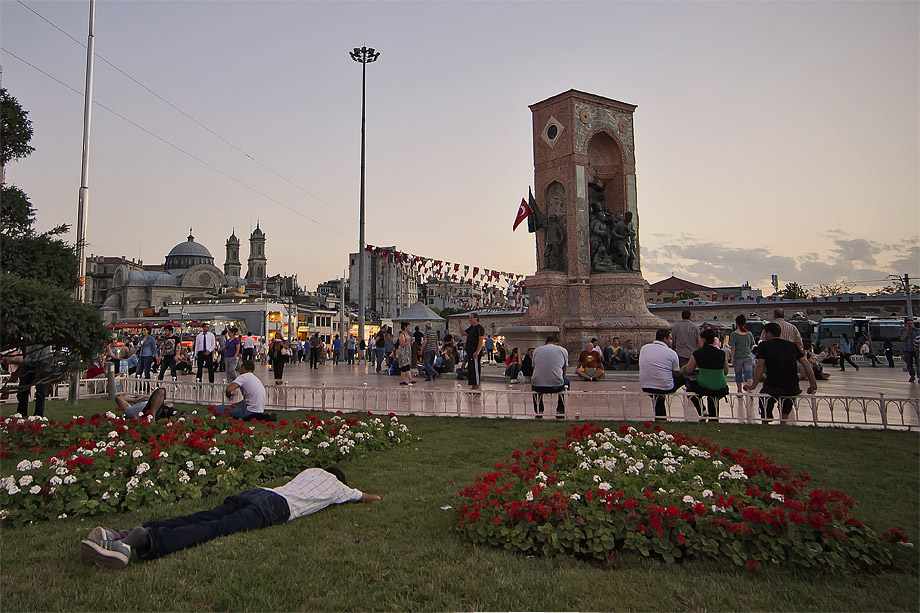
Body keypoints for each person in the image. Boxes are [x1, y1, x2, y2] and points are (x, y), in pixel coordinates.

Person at [80, 466, 380, 569]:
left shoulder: (311, 471)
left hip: (259, 492)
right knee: (214, 528)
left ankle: (116, 533)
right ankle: (142, 541)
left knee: (200, 515)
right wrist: (368, 494)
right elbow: (365, 496)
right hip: (276, 508)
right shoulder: (340, 487)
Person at [744, 322, 817, 425]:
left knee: (765, 399)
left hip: (773, 384)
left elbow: (760, 365)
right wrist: (813, 384)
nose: (764, 337)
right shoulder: (792, 345)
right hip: (791, 386)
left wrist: (753, 385)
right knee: (787, 402)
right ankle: (783, 421)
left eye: (764, 334)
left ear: (769, 334)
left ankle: (766, 420)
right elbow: (806, 364)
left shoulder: (764, 345)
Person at [681, 329, 729, 422]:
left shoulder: (697, 353)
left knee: (690, 390)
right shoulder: (722, 353)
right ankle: (714, 418)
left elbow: (689, 370)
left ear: (703, 340)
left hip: (703, 385)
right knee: (713, 396)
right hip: (720, 386)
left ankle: (702, 410)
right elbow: (726, 371)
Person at [639, 329, 686, 421]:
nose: (671, 341)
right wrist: (684, 369)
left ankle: (660, 417)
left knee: (658, 397)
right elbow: (676, 373)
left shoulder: (644, 348)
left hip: (645, 385)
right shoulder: (671, 353)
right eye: (670, 339)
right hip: (664, 387)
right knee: (683, 379)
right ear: (665, 339)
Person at [531, 335, 569, 418]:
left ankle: (539, 410)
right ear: (557, 343)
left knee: (534, 382)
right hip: (556, 386)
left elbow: (534, 367)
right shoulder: (562, 350)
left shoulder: (537, 350)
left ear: (545, 343)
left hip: (538, 386)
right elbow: (564, 369)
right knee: (566, 382)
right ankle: (560, 411)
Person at [11, 344, 51, 417]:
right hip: (29, 360)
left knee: (41, 390)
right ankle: (21, 412)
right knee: (23, 388)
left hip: (43, 359)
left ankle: (38, 414)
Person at [458, 313, 486, 391]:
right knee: (471, 368)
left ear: (476, 318)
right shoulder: (471, 328)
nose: (470, 320)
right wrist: (460, 324)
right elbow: (463, 333)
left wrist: (477, 351)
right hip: (470, 352)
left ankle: (477, 384)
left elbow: (481, 340)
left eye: (471, 318)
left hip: (475, 352)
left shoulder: (479, 328)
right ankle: (473, 384)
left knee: (476, 368)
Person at [115, 388, 181, 421]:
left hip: (161, 409)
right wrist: (136, 400)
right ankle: (152, 416)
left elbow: (170, 404)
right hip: (146, 412)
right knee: (161, 391)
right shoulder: (129, 410)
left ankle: (186, 417)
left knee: (181, 413)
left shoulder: (149, 402)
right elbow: (118, 398)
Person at [729, 314, 756, 393]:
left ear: (736, 323)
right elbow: (751, 346)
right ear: (745, 323)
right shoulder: (749, 334)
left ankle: (740, 391)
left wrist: (732, 358)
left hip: (738, 357)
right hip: (748, 356)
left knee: (738, 374)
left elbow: (733, 347)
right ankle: (749, 389)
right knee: (749, 374)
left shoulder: (734, 334)